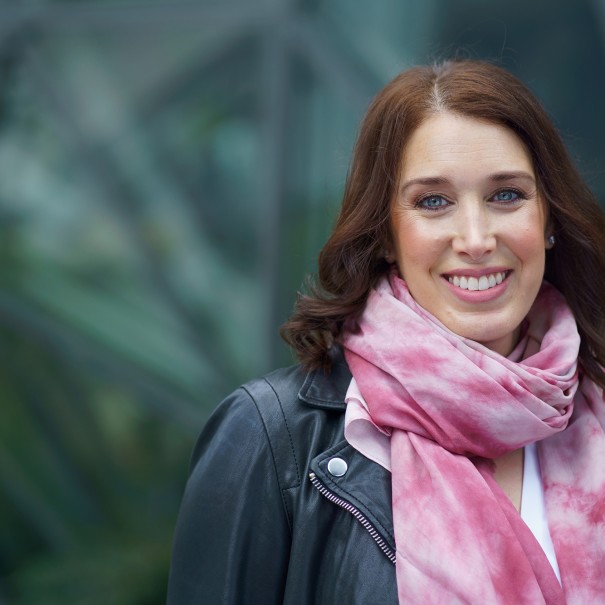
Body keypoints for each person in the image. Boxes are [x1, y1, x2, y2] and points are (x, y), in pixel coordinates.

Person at [167, 60, 605, 604]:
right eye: (433, 202)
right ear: (385, 235)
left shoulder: (596, 412)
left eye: (507, 195)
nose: (475, 238)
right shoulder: (273, 437)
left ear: (550, 220)